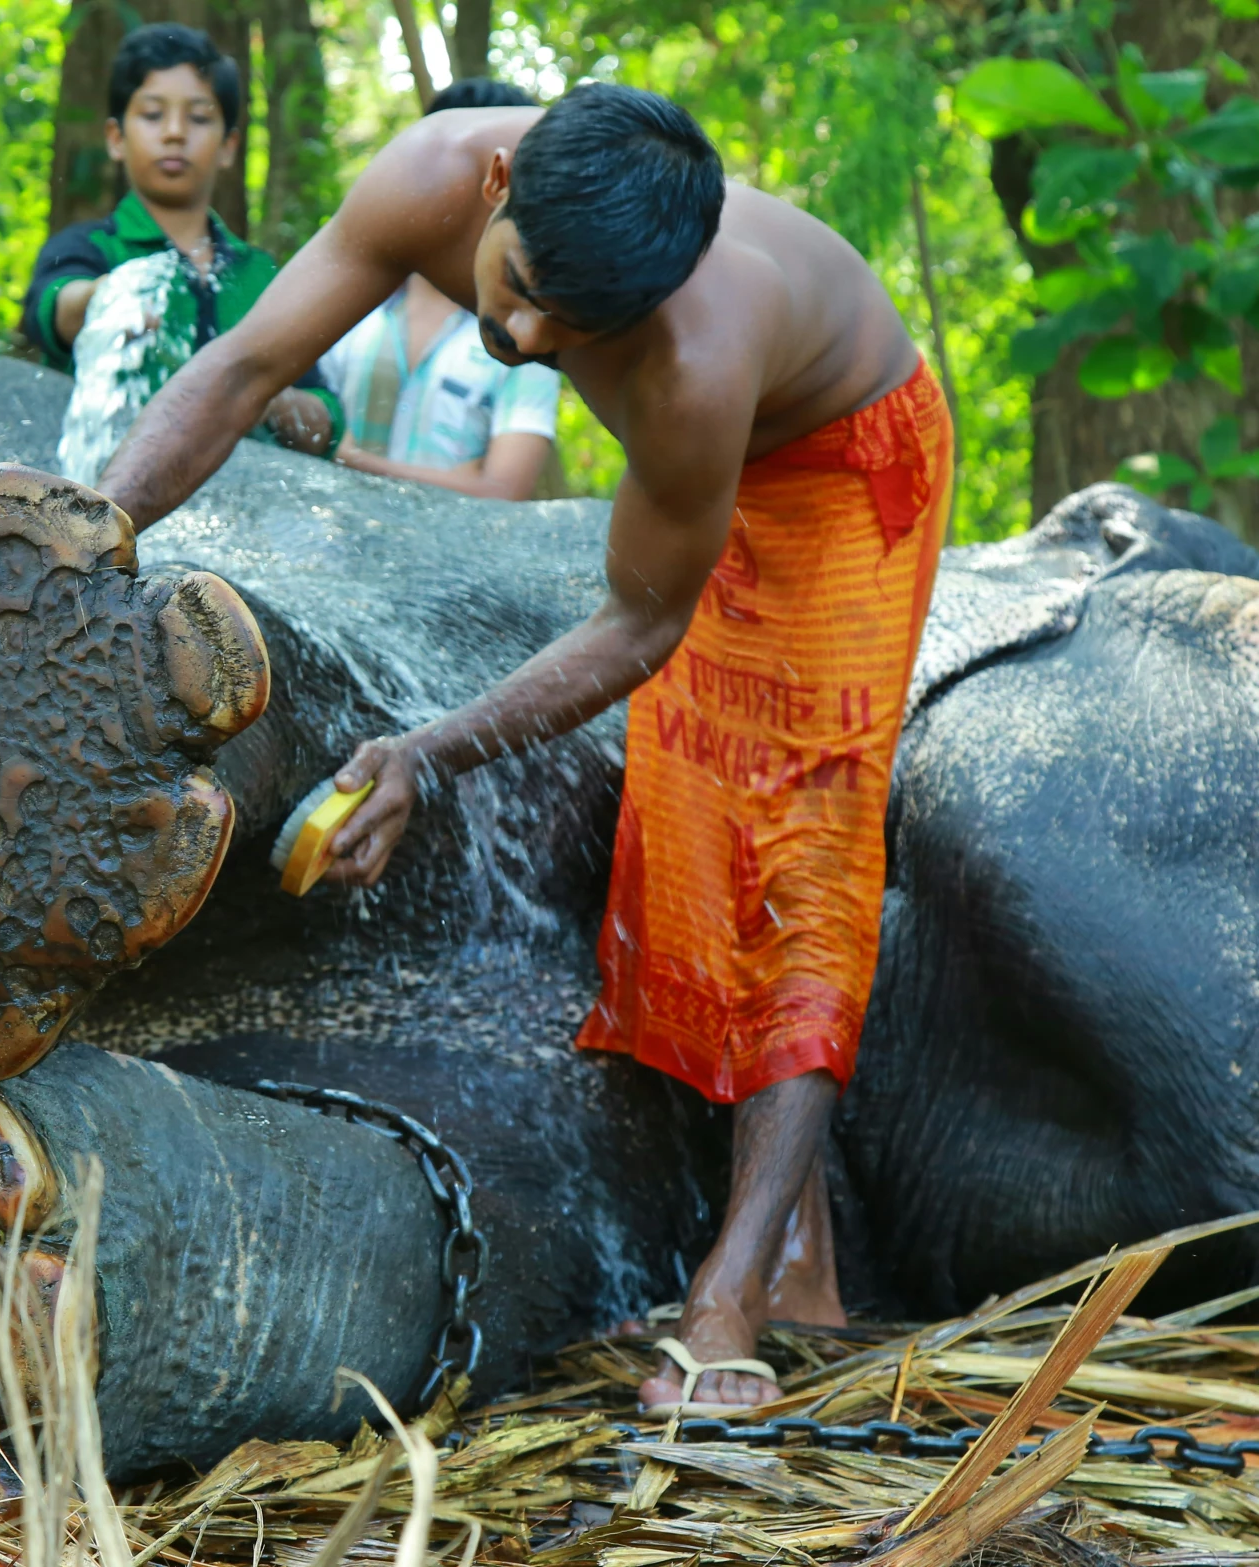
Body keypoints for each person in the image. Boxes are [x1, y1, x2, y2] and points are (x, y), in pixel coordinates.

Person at [91, 85, 951, 1412]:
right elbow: (245, 366)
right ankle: (800, 1254)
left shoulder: (692, 360)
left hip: (839, 465)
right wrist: (76, 542)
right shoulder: (420, 179)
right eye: (522, 286)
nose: (526, 335)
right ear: (494, 180)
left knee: (799, 837)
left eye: (574, 325)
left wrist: (424, 755)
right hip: (705, 468)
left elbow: (638, 620)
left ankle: (731, 1299)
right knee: (684, 820)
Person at [19, 23, 340, 454]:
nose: (174, 132)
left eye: (200, 117)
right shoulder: (88, 248)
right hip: (105, 504)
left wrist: (265, 397)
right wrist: (106, 300)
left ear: (229, 146)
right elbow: (53, 309)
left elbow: (326, 420)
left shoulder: (262, 276)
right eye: (153, 114)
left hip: (254, 510)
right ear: (116, 138)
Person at [318, 78, 561, 500]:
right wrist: (461, 481)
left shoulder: (525, 336)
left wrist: (351, 459)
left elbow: (503, 492)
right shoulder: (353, 305)